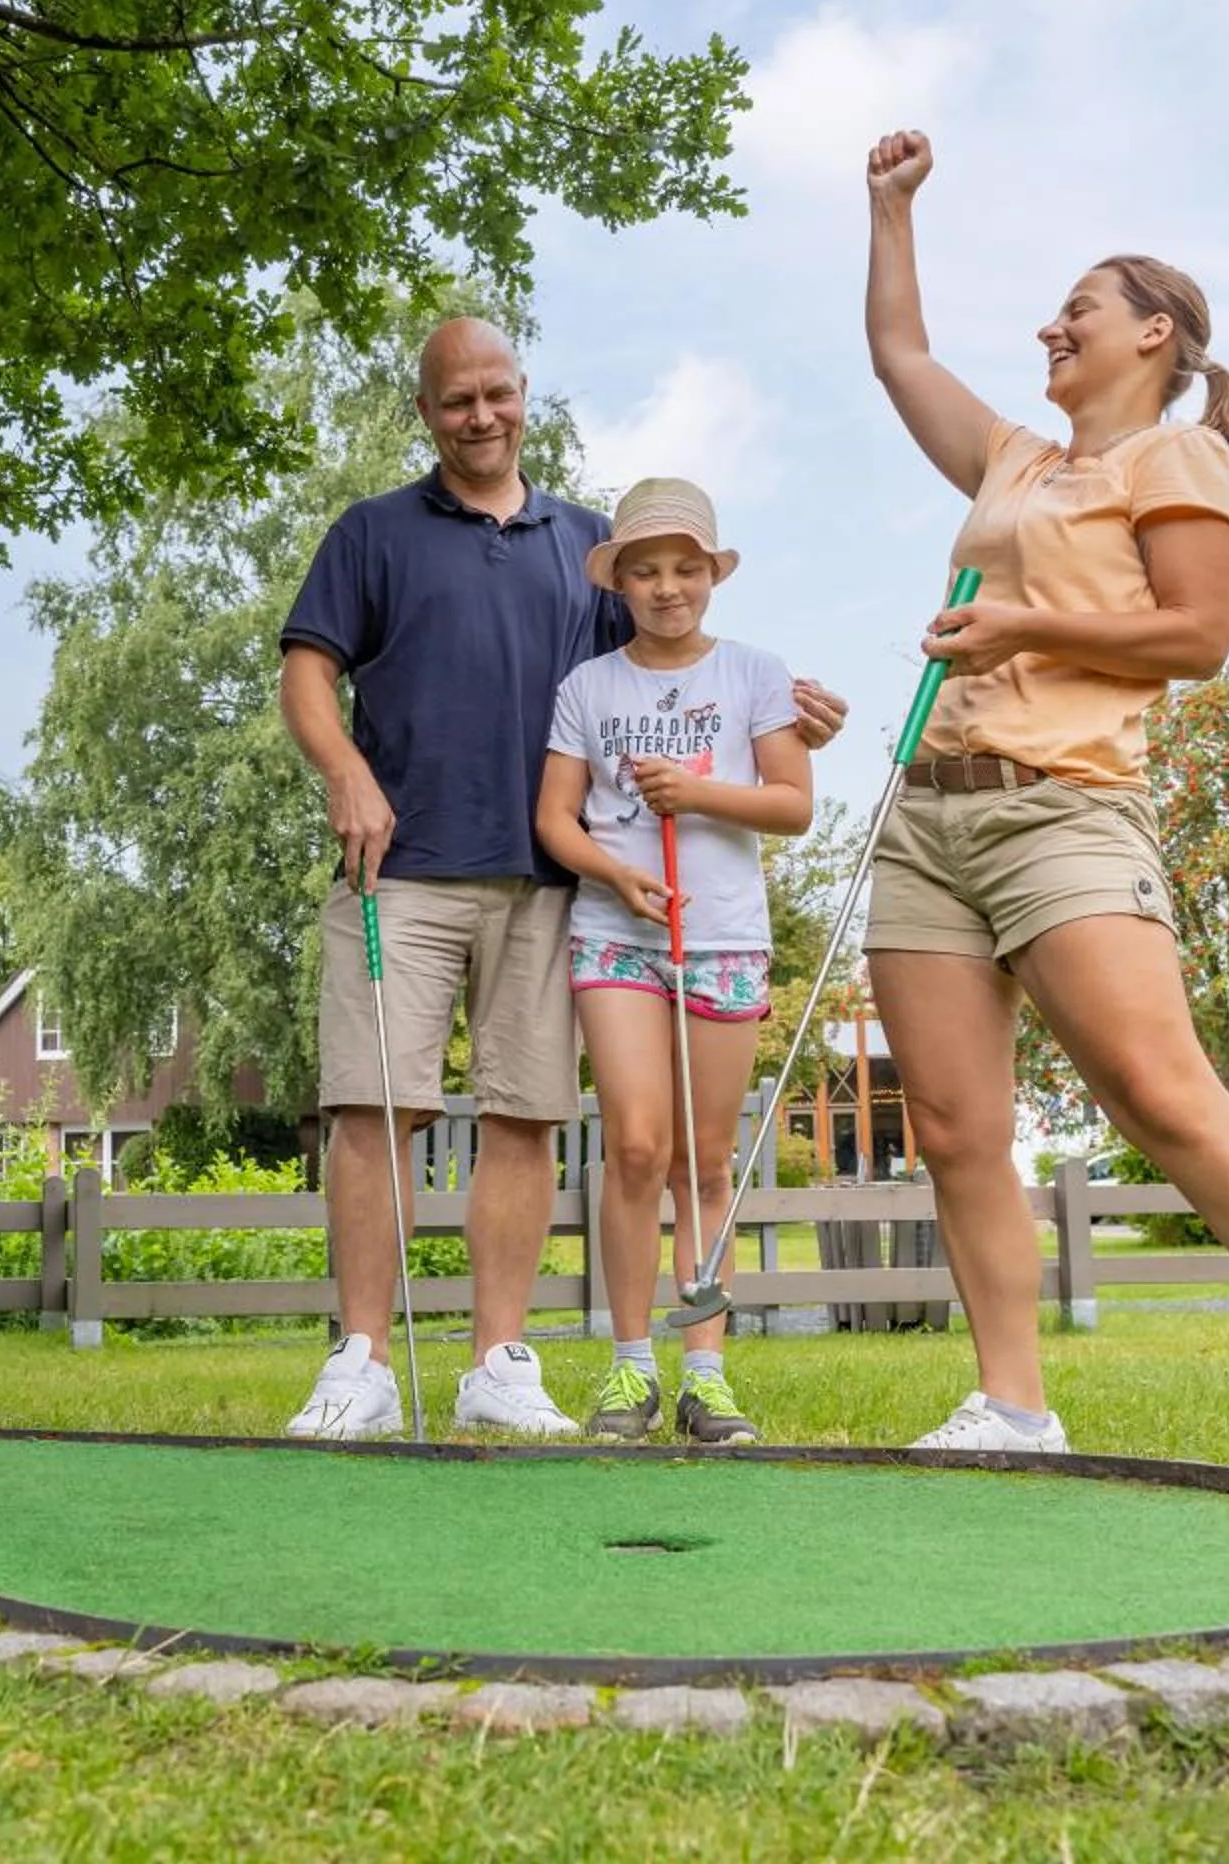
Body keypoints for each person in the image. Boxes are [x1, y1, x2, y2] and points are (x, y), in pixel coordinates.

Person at [858, 129, 1229, 1500]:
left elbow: (1197, 636)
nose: (1050, 326)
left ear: (1154, 333)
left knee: (1159, 1090)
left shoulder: (1179, 457)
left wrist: (1020, 621)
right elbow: (900, 354)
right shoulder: (1015, 461)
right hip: (928, 818)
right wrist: (891, 210)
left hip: (1064, 811)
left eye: (1077, 306)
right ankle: (1014, 1405)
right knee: (952, 1125)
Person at [277, 319, 843, 1440]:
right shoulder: (372, 531)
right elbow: (307, 672)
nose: (480, 415)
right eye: (456, 400)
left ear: (523, 393)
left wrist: (788, 719)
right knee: (374, 1107)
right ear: (426, 411)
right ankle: (361, 1362)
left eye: (497, 392)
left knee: (526, 1117)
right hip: (401, 867)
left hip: (550, 883)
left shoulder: (591, 543)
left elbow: (669, 668)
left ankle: (499, 1361)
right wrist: (345, 770)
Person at [535, 479, 811, 1444]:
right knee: (637, 1147)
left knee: (704, 1159)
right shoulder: (589, 686)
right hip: (616, 932)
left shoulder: (755, 673)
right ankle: (629, 1368)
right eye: (646, 571)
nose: (666, 588)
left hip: (723, 933)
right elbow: (554, 818)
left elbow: (792, 803)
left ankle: (706, 1375)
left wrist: (697, 795)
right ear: (619, 582)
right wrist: (615, 874)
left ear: (711, 576)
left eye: (686, 569)